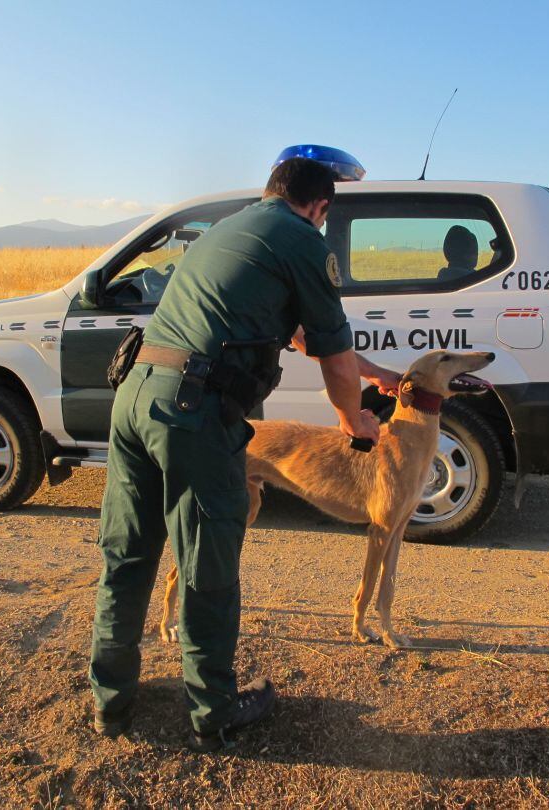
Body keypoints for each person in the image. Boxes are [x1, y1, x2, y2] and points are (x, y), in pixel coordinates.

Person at [88, 157, 400, 751]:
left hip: (134, 397)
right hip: (193, 412)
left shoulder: (230, 229)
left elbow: (302, 337)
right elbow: (333, 354)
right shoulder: (303, 240)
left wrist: (374, 373)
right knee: (207, 563)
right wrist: (351, 420)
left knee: (126, 555)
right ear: (320, 207)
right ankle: (214, 712)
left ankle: (111, 704)